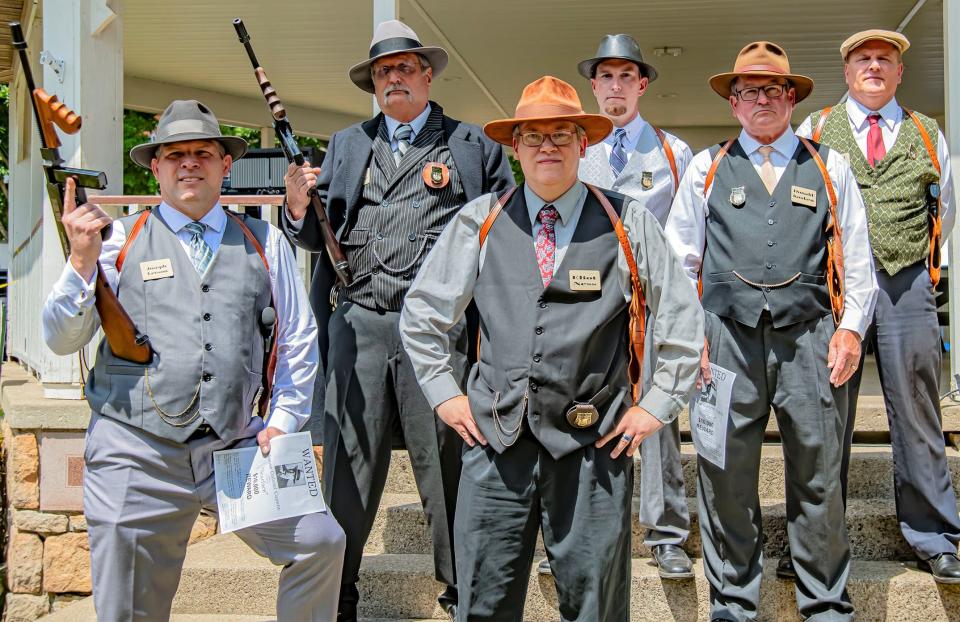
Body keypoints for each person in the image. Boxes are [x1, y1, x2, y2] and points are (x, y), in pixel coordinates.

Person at [400, 75, 703, 621]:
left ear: (582, 144)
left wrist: (656, 407)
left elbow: (682, 320)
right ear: (514, 147)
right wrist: (445, 396)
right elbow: (422, 316)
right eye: (533, 136)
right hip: (496, 448)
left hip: (594, 448)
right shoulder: (481, 220)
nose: (547, 147)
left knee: (595, 606)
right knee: (483, 602)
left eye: (561, 135)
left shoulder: (627, 220)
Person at [41, 100, 346, 621]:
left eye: (202, 152)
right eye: (174, 153)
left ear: (225, 164)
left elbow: (297, 338)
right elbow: (60, 337)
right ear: (155, 167)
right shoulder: (117, 240)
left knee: (320, 542)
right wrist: (79, 263)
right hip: (136, 451)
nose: (189, 163)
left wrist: (283, 420)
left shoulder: (264, 240)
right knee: (129, 610)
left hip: (235, 443)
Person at [281, 20, 514, 621]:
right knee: (348, 468)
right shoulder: (348, 144)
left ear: (427, 75)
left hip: (435, 334)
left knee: (448, 466)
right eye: (383, 72)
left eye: (404, 69)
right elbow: (316, 235)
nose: (393, 79)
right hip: (358, 323)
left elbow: (503, 239)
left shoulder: (471, 145)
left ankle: (463, 596)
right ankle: (339, 596)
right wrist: (296, 204)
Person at [664, 42, 879, 620]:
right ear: (733, 103)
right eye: (749, 92)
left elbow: (858, 261)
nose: (761, 100)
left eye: (773, 90)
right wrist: (692, 336)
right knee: (725, 474)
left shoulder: (830, 166)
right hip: (724, 340)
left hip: (809, 336)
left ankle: (827, 602)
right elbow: (680, 260)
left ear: (791, 98)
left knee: (818, 471)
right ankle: (733, 603)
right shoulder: (706, 167)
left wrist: (852, 330)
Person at [794, 28, 960, 583]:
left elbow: (946, 209)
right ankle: (819, 543)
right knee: (826, 413)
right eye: (862, 59)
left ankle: (935, 536)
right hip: (834, 289)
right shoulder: (815, 128)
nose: (873, 67)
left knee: (918, 409)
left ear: (898, 72)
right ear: (846, 72)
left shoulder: (925, 130)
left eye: (883, 60)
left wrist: (916, 265)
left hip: (905, 282)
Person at [575, 33, 696, 579]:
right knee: (582, 413)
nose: (615, 86)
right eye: (606, 77)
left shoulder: (674, 152)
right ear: (593, 85)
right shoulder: (576, 149)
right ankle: (580, 529)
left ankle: (666, 531)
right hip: (586, 304)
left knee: (658, 416)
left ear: (642, 84)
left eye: (626, 76)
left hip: (651, 307)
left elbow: (687, 240)